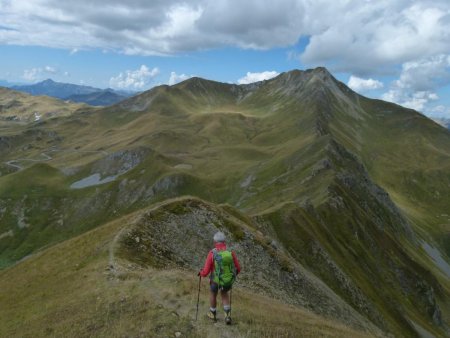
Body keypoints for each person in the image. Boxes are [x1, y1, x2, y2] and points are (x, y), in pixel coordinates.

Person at [198, 231, 241, 324]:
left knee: (213, 294)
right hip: (227, 281)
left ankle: (212, 313)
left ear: (215, 242)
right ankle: (227, 316)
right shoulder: (230, 252)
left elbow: (205, 272)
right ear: (224, 241)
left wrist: (200, 273)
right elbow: (238, 268)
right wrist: (230, 276)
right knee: (224, 294)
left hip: (215, 280)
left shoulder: (212, 253)